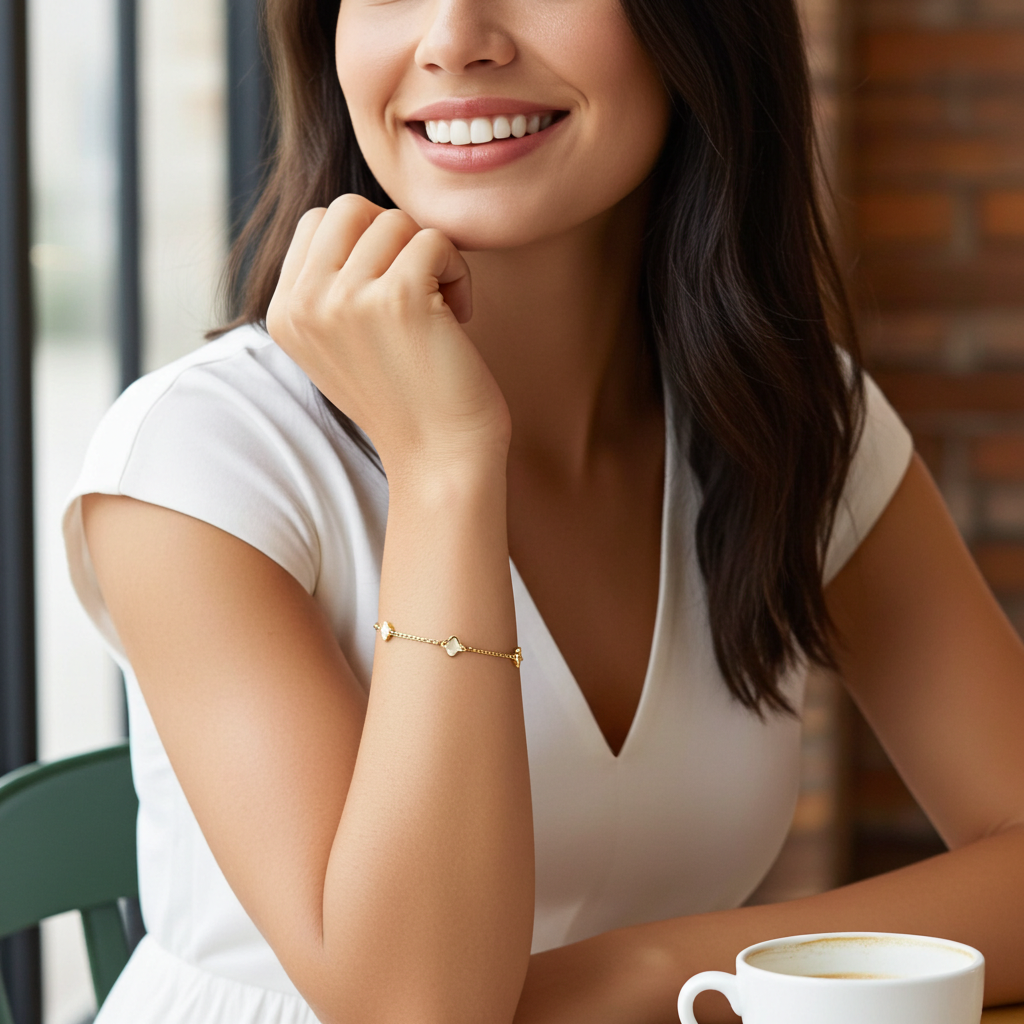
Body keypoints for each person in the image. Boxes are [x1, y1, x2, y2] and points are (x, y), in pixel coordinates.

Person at [63, 0, 1024, 1021]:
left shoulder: (790, 424)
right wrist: (445, 464)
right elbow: (419, 1008)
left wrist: (641, 973)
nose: (453, 37)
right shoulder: (200, 457)